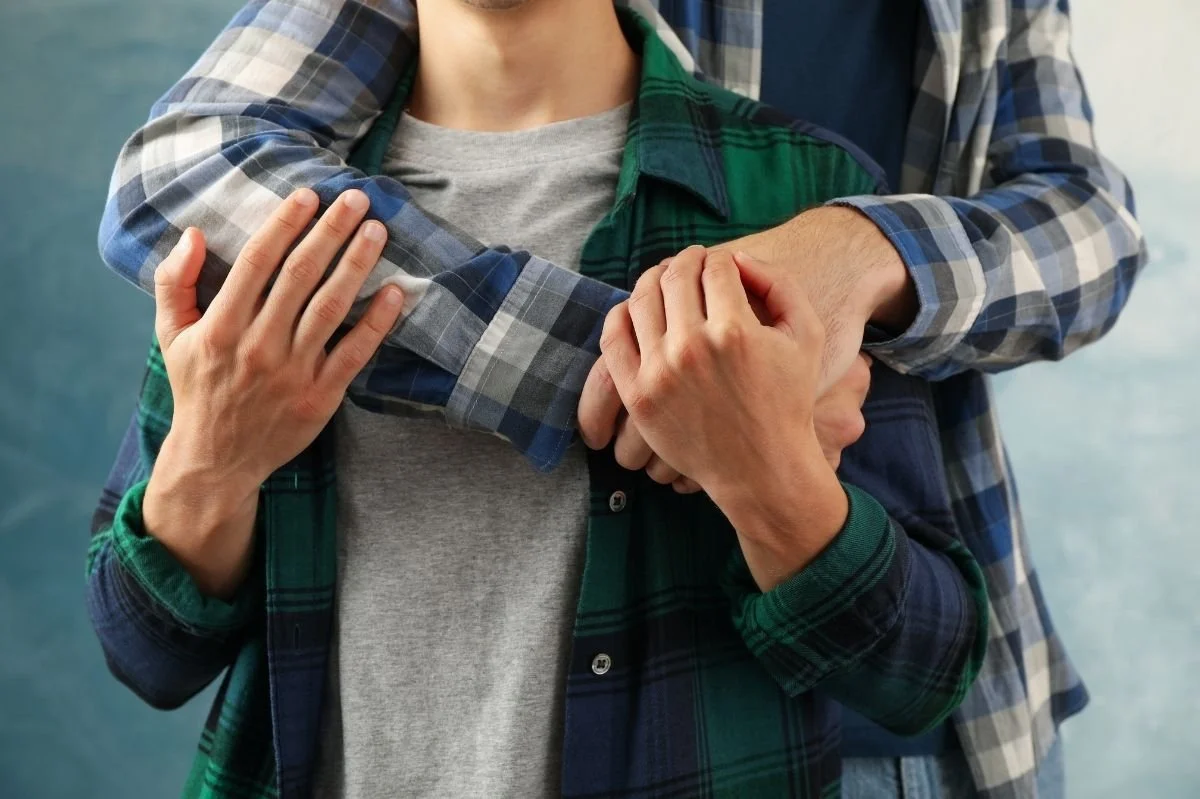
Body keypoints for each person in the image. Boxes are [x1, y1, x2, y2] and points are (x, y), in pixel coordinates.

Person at [92, 1, 1146, 798]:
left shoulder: (801, 175)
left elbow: (1088, 226)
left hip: (831, 692)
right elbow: (145, 638)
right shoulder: (293, 228)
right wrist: (648, 372)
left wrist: (857, 252)